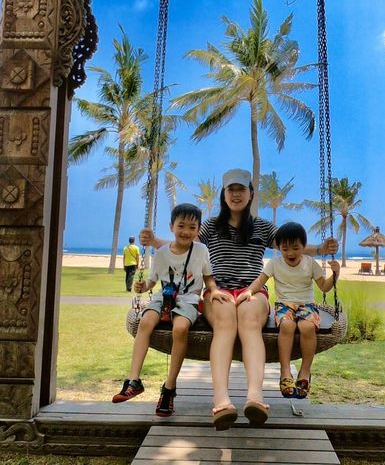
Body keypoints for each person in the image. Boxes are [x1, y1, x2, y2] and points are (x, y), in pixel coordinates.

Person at [140, 169, 338, 430]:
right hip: (218, 291)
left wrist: (321, 249)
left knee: (249, 323)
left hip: (252, 291)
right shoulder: (210, 226)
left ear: (250, 194)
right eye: (231, 190)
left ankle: (255, 398)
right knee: (225, 324)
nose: (236, 194)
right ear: (223, 195)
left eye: (241, 189)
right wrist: (155, 241)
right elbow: (182, 244)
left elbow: (292, 245)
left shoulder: (262, 227)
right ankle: (221, 401)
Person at [112, 203, 230, 417]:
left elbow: (208, 277)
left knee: (180, 328)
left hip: (189, 299)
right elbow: (152, 281)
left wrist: (213, 291)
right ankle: (133, 380)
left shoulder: (201, 250)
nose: (186, 231)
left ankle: (169, 387)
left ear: (198, 229)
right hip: (163, 297)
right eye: (181, 226)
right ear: (171, 227)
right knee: (145, 322)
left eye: (192, 227)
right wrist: (143, 287)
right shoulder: (162, 253)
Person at [236, 222, 340, 399]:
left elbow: (324, 287)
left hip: (307, 305)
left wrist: (335, 275)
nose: (290, 253)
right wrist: (248, 292)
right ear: (279, 248)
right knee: (287, 326)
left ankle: (305, 371)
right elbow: (260, 281)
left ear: (304, 246)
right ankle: (285, 371)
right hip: (284, 305)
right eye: (285, 249)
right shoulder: (274, 263)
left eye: (295, 248)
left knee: (307, 327)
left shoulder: (310, 263)